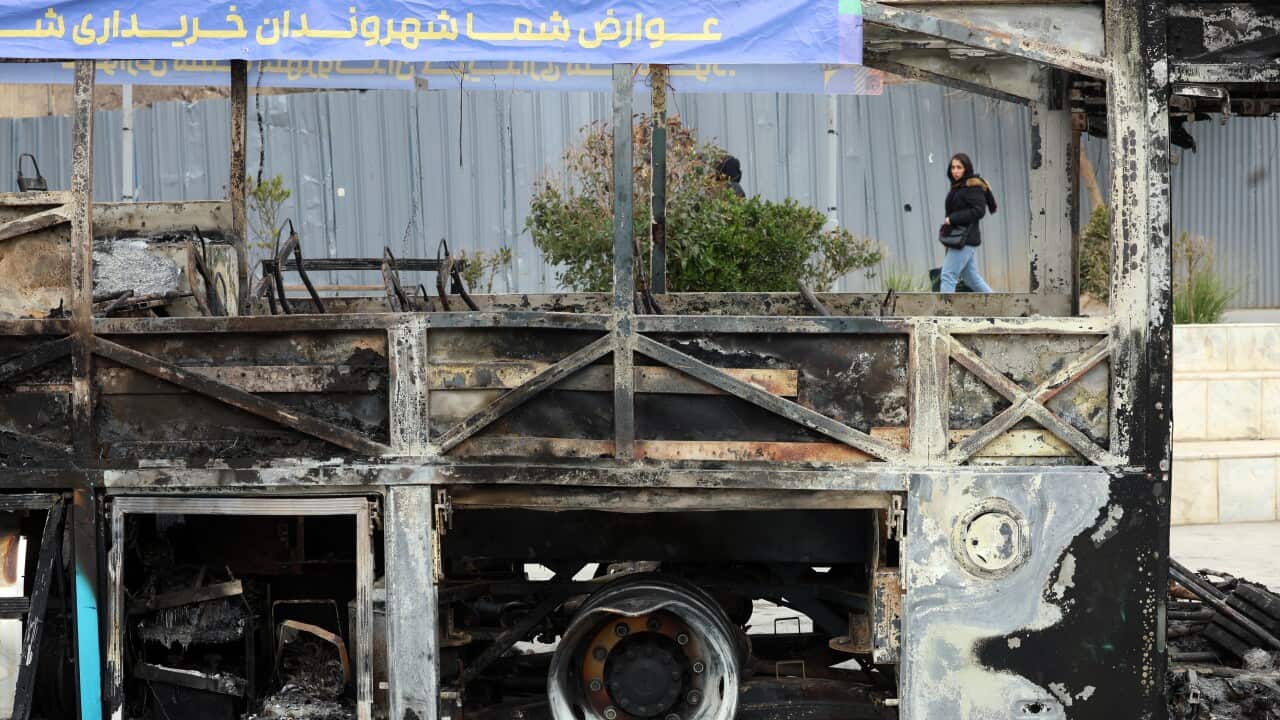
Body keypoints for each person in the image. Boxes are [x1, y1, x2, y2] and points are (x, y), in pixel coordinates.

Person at [939, 152, 997, 293]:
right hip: (961, 238)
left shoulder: (972, 187)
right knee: (971, 279)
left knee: (947, 275)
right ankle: (1000, 306)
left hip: (965, 239)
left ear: (966, 168)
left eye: (959, 167)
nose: (955, 171)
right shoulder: (958, 186)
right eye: (953, 167)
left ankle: (944, 313)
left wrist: (952, 219)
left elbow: (979, 211)